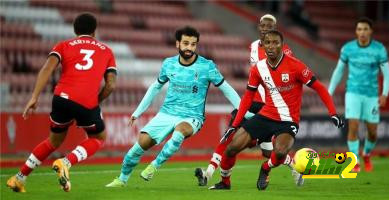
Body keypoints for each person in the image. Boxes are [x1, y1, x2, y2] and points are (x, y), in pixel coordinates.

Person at [105, 26, 247, 187]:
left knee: (179, 133)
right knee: (138, 147)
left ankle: (154, 166)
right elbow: (155, 87)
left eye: (193, 44)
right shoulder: (169, 64)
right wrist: (138, 112)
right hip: (167, 113)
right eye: (186, 43)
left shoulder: (206, 66)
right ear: (177, 44)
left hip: (192, 116)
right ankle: (121, 179)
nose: (189, 48)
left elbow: (226, 88)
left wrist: (243, 111)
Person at [215, 30, 344, 190]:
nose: (271, 46)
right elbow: (248, 97)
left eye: (275, 42)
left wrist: (332, 113)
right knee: (232, 148)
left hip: (288, 120)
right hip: (266, 115)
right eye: (267, 42)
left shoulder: (296, 66)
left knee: (281, 151)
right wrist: (234, 125)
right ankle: (225, 182)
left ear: (282, 45)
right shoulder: (258, 69)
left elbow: (319, 88)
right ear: (263, 45)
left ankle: (265, 168)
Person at [6, 13, 117, 193]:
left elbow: (47, 68)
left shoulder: (63, 45)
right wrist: (93, 103)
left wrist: (34, 97)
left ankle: (19, 178)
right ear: (94, 31)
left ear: (75, 30)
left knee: (53, 141)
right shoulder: (106, 51)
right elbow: (111, 84)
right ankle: (66, 162)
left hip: (61, 99)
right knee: (98, 138)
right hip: (86, 102)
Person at [195, 14, 301, 190]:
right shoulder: (252, 46)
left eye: (270, 26)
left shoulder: (285, 51)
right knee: (230, 135)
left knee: (268, 151)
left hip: (269, 108)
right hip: (251, 102)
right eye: (263, 26)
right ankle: (209, 173)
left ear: (275, 30)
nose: (265, 29)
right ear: (259, 27)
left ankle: (295, 167)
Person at [328, 17, 389, 172]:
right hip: (353, 93)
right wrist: (328, 92)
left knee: (372, 132)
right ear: (356, 32)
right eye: (359, 29)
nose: (362, 32)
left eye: (365, 29)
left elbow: (387, 74)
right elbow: (339, 71)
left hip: (371, 96)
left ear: (371, 31)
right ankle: (355, 161)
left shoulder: (379, 49)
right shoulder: (348, 49)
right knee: (353, 126)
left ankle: (367, 154)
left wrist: (384, 94)